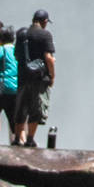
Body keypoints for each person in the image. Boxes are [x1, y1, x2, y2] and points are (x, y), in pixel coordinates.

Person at [14, 10, 56, 148]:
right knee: (36, 110)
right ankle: (30, 139)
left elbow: (16, 55)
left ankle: (17, 139)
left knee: (21, 108)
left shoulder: (21, 34)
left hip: (22, 77)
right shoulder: (45, 35)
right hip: (39, 79)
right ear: (44, 21)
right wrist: (52, 76)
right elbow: (49, 58)